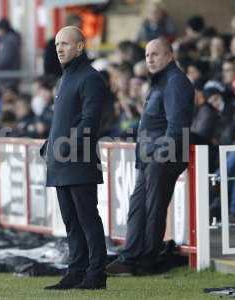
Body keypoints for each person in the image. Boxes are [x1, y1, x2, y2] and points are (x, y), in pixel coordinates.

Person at [105, 38, 194, 275]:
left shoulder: (175, 82)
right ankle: (130, 257)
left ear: (169, 56)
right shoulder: (159, 82)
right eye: (147, 56)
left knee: (153, 207)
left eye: (155, 54)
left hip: (165, 157)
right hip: (150, 157)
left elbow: (177, 127)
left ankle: (146, 260)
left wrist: (158, 157)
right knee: (138, 207)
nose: (150, 60)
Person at [41, 26, 107, 290]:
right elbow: (64, 120)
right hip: (61, 162)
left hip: (79, 162)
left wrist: (66, 147)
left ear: (80, 46)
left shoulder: (91, 78)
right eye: (57, 44)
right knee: (71, 222)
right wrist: (50, 144)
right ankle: (76, 271)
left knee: (87, 219)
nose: (59, 48)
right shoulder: (65, 77)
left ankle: (96, 274)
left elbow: (89, 122)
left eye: (65, 44)